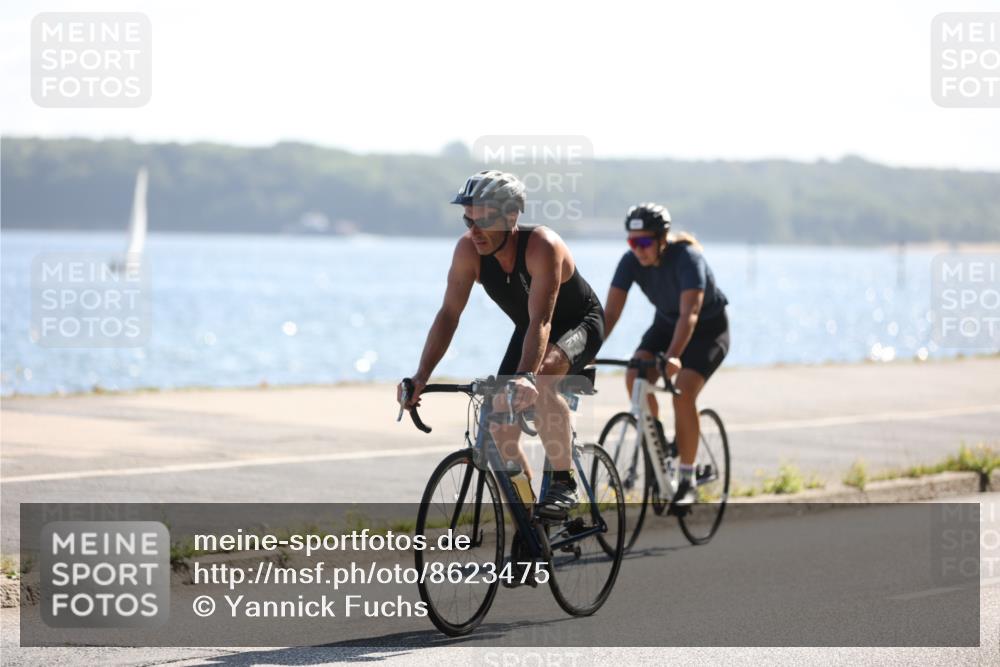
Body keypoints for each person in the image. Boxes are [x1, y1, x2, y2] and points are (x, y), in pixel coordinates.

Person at [398, 170, 605, 520]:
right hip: (531, 329)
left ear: (511, 216)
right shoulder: (468, 251)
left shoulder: (543, 246)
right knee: (498, 425)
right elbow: (449, 314)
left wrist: (525, 376)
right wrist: (420, 376)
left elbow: (543, 320)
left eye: (484, 220)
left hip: (578, 324)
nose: (474, 231)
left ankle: (563, 480)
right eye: (468, 219)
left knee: (541, 379)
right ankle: (528, 518)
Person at [602, 203, 730, 508]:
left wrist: (673, 357)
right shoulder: (629, 262)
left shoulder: (688, 259)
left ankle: (686, 480)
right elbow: (610, 314)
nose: (638, 250)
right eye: (633, 243)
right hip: (665, 325)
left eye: (645, 242)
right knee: (635, 376)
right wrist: (584, 353)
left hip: (705, 332)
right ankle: (659, 446)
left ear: (662, 239)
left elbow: (691, 314)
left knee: (682, 392)